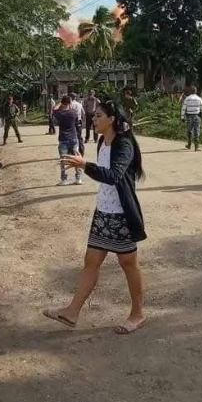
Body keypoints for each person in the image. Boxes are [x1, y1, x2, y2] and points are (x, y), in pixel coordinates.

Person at [44, 100, 147, 335]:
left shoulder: (124, 144)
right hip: (103, 212)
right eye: (94, 115)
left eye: (98, 116)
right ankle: (72, 311)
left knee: (128, 264)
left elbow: (112, 176)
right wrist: (85, 164)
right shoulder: (102, 141)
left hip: (121, 215)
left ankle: (138, 314)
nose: (94, 119)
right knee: (91, 261)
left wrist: (84, 164)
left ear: (111, 119)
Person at [52, 96, 82, 186]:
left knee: (63, 160)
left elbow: (54, 109)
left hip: (63, 138)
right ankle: (78, 178)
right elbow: (77, 122)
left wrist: (59, 103)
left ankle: (64, 180)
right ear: (70, 103)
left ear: (62, 103)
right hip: (74, 137)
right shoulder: (74, 112)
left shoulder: (60, 113)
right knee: (76, 159)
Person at [179, 86, 202, 151]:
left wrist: (182, 117)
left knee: (189, 131)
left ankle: (189, 145)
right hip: (197, 116)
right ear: (196, 91)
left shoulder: (187, 98)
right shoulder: (199, 98)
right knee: (196, 131)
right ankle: (197, 147)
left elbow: (183, 108)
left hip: (189, 117)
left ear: (190, 92)